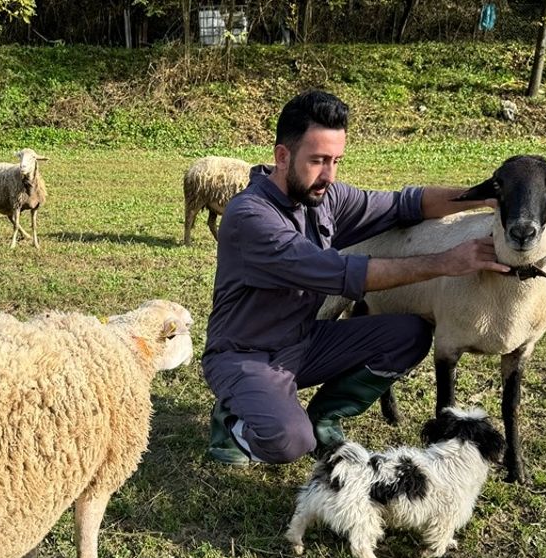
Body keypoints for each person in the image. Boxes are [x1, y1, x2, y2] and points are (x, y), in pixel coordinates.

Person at [202, 89, 509, 466]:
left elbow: (404, 205)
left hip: (303, 341)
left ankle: (324, 415)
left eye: (336, 160)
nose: (329, 175)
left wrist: (484, 196)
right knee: (289, 443)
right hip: (246, 354)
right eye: (318, 160)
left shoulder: (323, 197)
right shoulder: (251, 217)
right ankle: (233, 417)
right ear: (283, 156)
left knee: (408, 335)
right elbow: (341, 273)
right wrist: (446, 262)